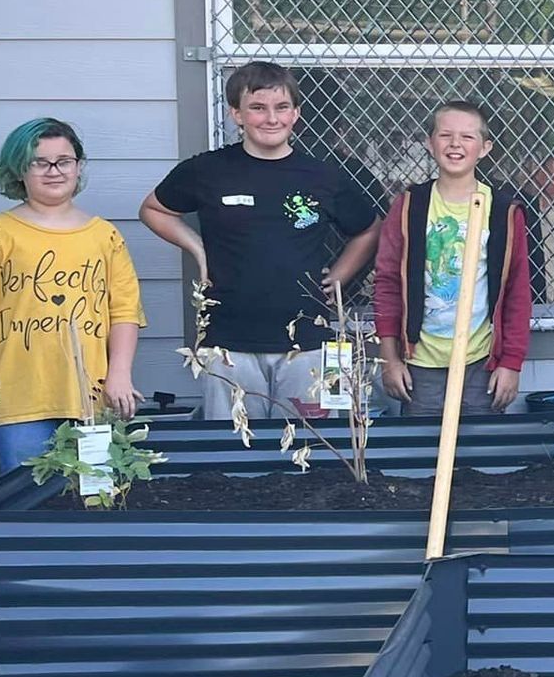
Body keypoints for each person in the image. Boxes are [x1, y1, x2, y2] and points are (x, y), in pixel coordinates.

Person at [140, 61, 381, 419]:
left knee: (319, 454)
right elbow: (153, 210)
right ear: (236, 114)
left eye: (282, 107)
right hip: (228, 341)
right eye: (257, 108)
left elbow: (369, 228)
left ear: (296, 113)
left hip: (312, 341)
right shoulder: (207, 171)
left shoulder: (323, 176)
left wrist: (342, 275)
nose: (271, 118)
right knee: (233, 456)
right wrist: (198, 248)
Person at [0, 119, 145, 471]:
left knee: (95, 496)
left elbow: (124, 312)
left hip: (91, 397)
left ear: (79, 166)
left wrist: (120, 373)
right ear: (19, 170)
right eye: (40, 162)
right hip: (17, 397)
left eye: (64, 161)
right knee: (26, 500)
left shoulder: (105, 237)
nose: (54, 171)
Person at [374, 101, 533, 417]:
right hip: (420, 362)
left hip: (480, 361)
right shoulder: (410, 206)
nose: (455, 144)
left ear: (485, 148)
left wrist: (511, 362)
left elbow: (517, 293)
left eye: (467, 137)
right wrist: (390, 358)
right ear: (431, 143)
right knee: (420, 457)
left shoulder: (502, 211)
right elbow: (388, 284)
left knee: (479, 457)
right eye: (445, 135)